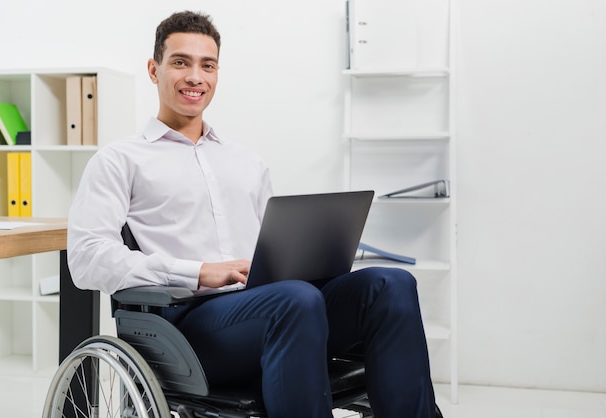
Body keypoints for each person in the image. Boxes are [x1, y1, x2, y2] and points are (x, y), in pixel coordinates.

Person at [68, 10, 440, 418]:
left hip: (281, 308)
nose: (195, 76)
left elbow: (273, 252)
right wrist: (197, 271)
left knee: (391, 283)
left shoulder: (246, 161)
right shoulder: (120, 160)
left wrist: (315, 260)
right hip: (190, 327)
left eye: (207, 65)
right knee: (294, 299)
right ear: (154, 70)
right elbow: (87, 259)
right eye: (181, 62)